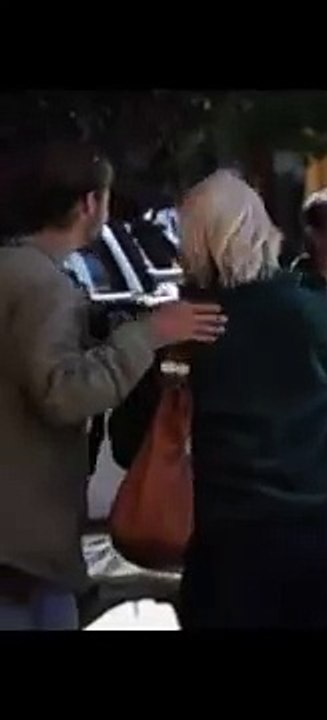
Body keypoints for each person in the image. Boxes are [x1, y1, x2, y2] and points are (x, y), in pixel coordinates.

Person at [0, 141, 225, 630]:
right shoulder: (41, 286)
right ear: (89, 203)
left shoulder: (17, 271)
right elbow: (64, 394)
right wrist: (150, 334)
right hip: (23, 558)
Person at [174, 170, 327, 629]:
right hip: (320, 531)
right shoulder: (310, 309)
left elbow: (132, 439)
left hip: (226, 537)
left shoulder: (183, 328)